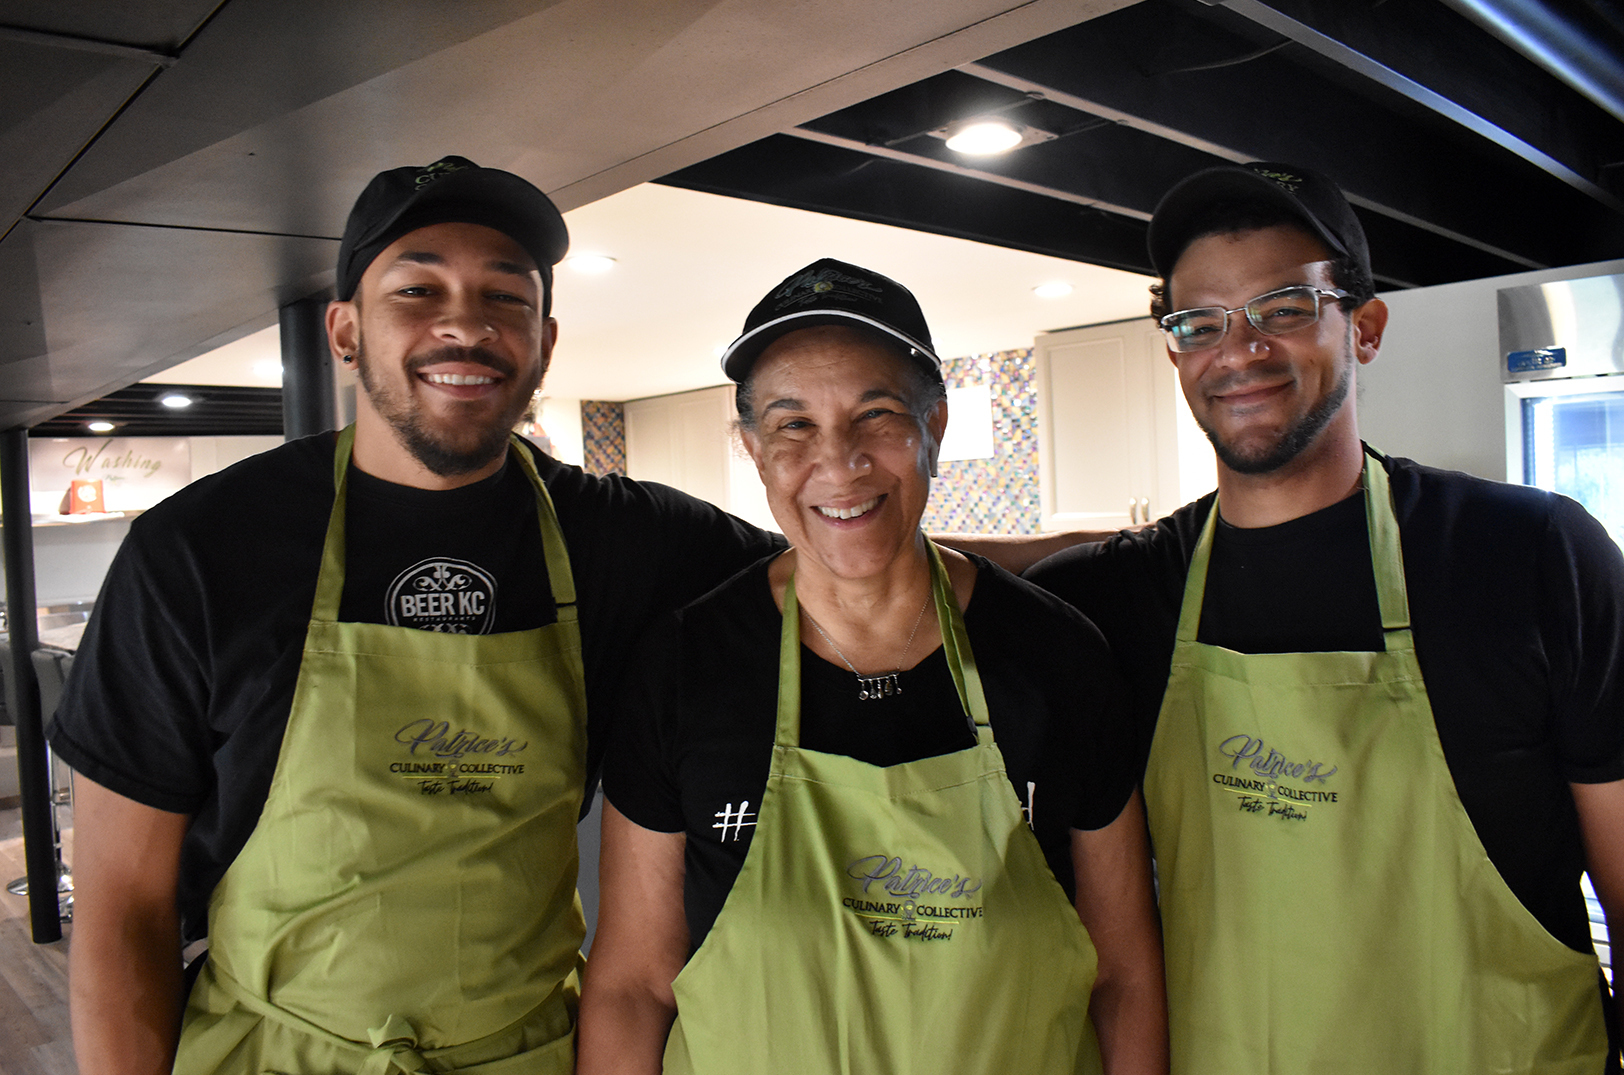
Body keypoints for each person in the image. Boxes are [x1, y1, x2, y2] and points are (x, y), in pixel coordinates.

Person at [48, 156, 789, 1075]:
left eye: (504, 297)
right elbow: (123, 908)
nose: (465, 324)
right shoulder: (200, 552)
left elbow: (838, 572)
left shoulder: (626, 541)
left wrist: (1006, 586)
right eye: (417, 287)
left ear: (545, 342)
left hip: (522, 1055)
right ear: (346, 331)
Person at [1026, 161, 1624, 1073]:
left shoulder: (1534, 556)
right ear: (1176, 350)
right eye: (1201, 322)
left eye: (1285, 308)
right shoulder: (1122, 599)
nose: (1241, 348)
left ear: (1366, 326)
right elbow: (932, 579)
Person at [577, 259, 1168, 1075]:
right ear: (753, 448)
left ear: (936, 424)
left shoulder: (1055, 653)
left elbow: (1124, 974)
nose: (840, 459)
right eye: (792, 425)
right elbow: (634, 986)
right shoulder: (684, 665)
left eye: (877, 414)